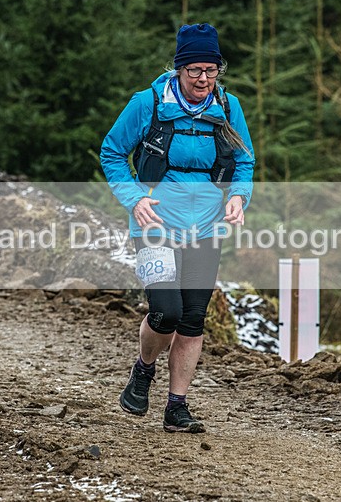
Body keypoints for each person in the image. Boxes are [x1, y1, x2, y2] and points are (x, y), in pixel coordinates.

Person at [100, 23, 255, 433]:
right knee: (166, 311)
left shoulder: (228, 105)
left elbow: (245, 161)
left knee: (192, 318)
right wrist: (135, 199)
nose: (203, 79)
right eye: (194, 71)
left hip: (206, 225)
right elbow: (112, 152)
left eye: (211, 70)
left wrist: (239, 196)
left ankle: (177, 406)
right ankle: (143, 369)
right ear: (178, 68)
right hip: (155, 223)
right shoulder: (147, 103)